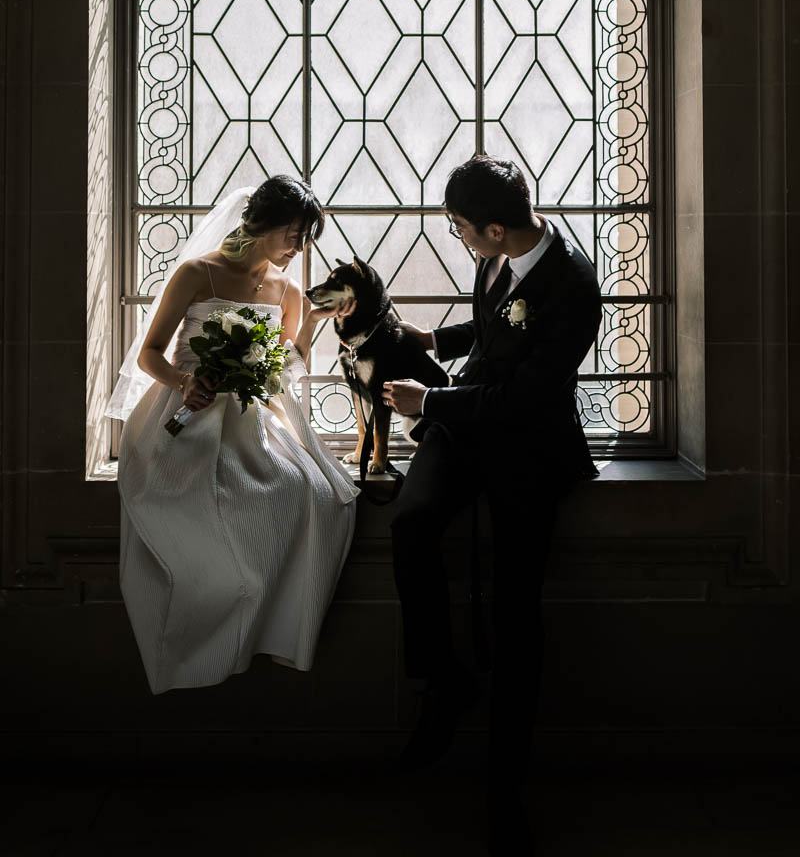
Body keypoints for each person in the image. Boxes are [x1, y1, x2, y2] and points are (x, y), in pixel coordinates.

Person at [383, 155, 602, 856]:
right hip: (471, 419)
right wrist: (434, 342)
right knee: (411, 522)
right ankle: (444, 682)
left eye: (461, 230)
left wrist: (431, 401)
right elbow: (496, 326)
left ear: (498, 229)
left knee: (516, 613)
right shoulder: (504, 252)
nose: (460, 239)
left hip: (528, 445)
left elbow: (529, 394)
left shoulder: (573, 286)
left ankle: (505, 789)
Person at [106, 175, 359, 695]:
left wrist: (309, 319)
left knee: (315, 493)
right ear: (263, 224)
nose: (300, 247)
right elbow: (149, 352)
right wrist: (185, 381)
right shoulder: (197, 272)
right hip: (187, 409)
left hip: (254, 412)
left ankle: (272, 627)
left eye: (307, 237)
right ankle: (209, 627)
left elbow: (286, 368)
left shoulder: (287, 290)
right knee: (204, 498)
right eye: (294, 233)